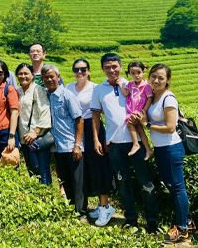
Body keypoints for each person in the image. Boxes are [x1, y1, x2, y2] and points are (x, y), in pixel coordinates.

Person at [91, 53, 158, 232]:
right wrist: (97, 139)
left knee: (146, 182)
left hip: (136, 141)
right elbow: (95, 117)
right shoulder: (98, 89)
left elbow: (149, 104)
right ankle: (131, 218)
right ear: (102, 69)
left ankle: (152, 221)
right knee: (122, 182)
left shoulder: (133, 85)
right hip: (114, 143)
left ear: (121, 67)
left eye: (115, 66)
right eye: (107, 67)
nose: (111, 70)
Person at [133, 64, 196, 244]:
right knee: (171, 186)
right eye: (153, 76)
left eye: (161, 78)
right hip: (161, 148)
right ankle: (188, 222)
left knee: (177, 187)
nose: (156, 80)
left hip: (171, 148)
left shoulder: (168, 98)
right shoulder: (154, 96)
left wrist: (146, 124)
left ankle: (182, 229)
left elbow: (169, 128)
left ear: (168, 80)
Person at [66, 59, 115, 225]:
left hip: (93, 128)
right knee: (84, 167)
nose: (79, 72)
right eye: (76, 69)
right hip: (76, 128)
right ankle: (93, 206)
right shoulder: (68, 87)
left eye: (83, 69)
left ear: (89, 70)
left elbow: (101, 112)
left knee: (99, 166)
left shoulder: (95, 88)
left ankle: (105, 206)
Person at [44, 64, 86, 215]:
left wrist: (78, 145)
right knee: (64, 180)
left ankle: (81, 212)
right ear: (42, 79)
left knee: (77, 181)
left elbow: (79, 120)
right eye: (46, 77)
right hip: (56, 146)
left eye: (52, 76)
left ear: (58, 77)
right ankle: (71, 208)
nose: (49, 79)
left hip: (70, 145)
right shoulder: (46, 96)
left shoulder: (67, 95)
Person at [15, 63, 52, 184]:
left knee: (42, 171)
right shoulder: (18, 91)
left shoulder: (38, 90)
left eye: (26, 73)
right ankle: (36, 198)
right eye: (20, 73)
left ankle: (47, 197)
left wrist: (35, 132)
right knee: (31, 170)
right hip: (23, 137)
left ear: (32, 75)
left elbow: (45, 111)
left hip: (37, 138)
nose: (23, 76)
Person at [119, 61, 154, 159]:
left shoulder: (146, 86)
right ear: (129, 74)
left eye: (138, 72)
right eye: (133, 73)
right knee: (139, 129)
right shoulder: (130, 85)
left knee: (130, 123)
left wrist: (144, 111)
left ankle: (136, 144)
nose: (136, 75)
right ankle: (148, 149)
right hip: (133, 109)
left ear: (143, 72)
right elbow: (126, 94)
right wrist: (121, 85)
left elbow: (149, 98)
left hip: (140, 110)